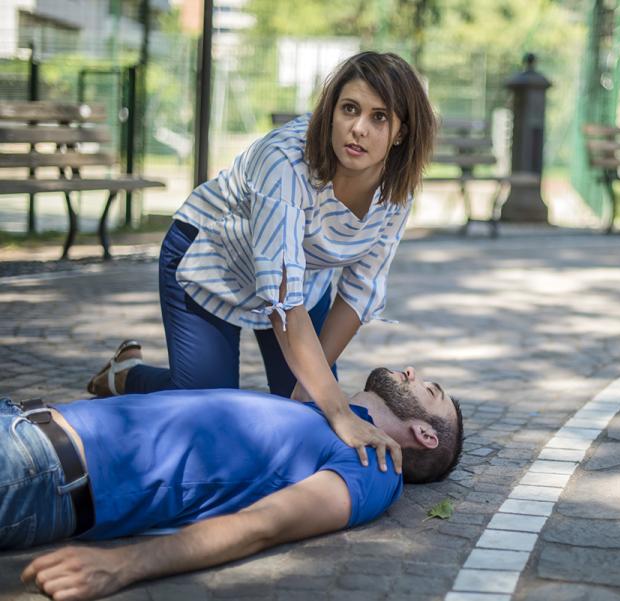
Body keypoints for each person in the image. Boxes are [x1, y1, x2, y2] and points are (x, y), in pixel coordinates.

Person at [86, 51, 437, 474]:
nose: (359, 128)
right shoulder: (285, 162)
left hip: (299, 283)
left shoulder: (396, 192)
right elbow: (283, 305)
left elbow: (359, 291)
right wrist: (339, 411)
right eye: (350, 109)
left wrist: (313, 394)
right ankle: (127, 374)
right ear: (331, 111)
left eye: (380, 118)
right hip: (211, 262)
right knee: (205, 414)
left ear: (401, 132)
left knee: (309, 407)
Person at [3, 366, 462, 601]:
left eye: (429, 391)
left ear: (424, 434)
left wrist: (122, 566)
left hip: (39, 469)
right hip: (23, 424)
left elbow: (264, 524)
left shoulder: (375, 465)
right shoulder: (336, 414)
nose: (411, 373)